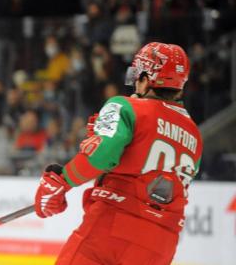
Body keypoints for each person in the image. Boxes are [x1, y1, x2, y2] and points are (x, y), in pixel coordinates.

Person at [34, 42, 203, 265]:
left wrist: (61, 182)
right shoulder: (194, 134)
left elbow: (101, 156)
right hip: (161, 244)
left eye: (137, 77)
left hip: (113, 228)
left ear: (146, 78)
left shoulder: (127, 107)